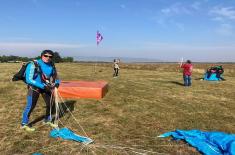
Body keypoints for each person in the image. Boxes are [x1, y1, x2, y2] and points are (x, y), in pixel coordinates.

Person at [21, 50, 60, 132]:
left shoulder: (51, 65)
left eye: (50, 56)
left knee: (50, 103)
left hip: (46, 87)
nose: (48, 58)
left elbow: (55, 76)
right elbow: (29, 79)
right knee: (31, 105)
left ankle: (47, 120)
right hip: (34, 87)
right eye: (46, 56)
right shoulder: (33, 64)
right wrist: (42, 86)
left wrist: (56, 83)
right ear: (42, 56)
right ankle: (24, 124)